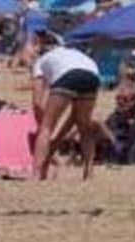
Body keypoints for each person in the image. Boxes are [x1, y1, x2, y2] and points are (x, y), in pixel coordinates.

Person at [30, 30, 101, 180]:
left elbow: (37, 102)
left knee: (46, 128)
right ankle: (89, 171)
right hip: (92, 74)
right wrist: (57, 140)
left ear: (42, 47)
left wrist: (43, 125)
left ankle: (36, 174)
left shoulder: (41, 61)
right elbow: (74, 116)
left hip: (68, 76)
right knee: (85, 127)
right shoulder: (74, 53)